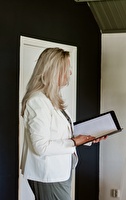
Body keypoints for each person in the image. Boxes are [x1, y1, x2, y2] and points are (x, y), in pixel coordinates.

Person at [20, 47, 106, 200]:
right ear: (54, 71)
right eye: (67, 68)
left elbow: (59, 132)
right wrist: (74, 142)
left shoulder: (50, 98)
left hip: (59, 171)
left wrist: (88, 138)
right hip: (48, 174)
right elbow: (41, 146)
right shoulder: (37, 102)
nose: (70, 73)